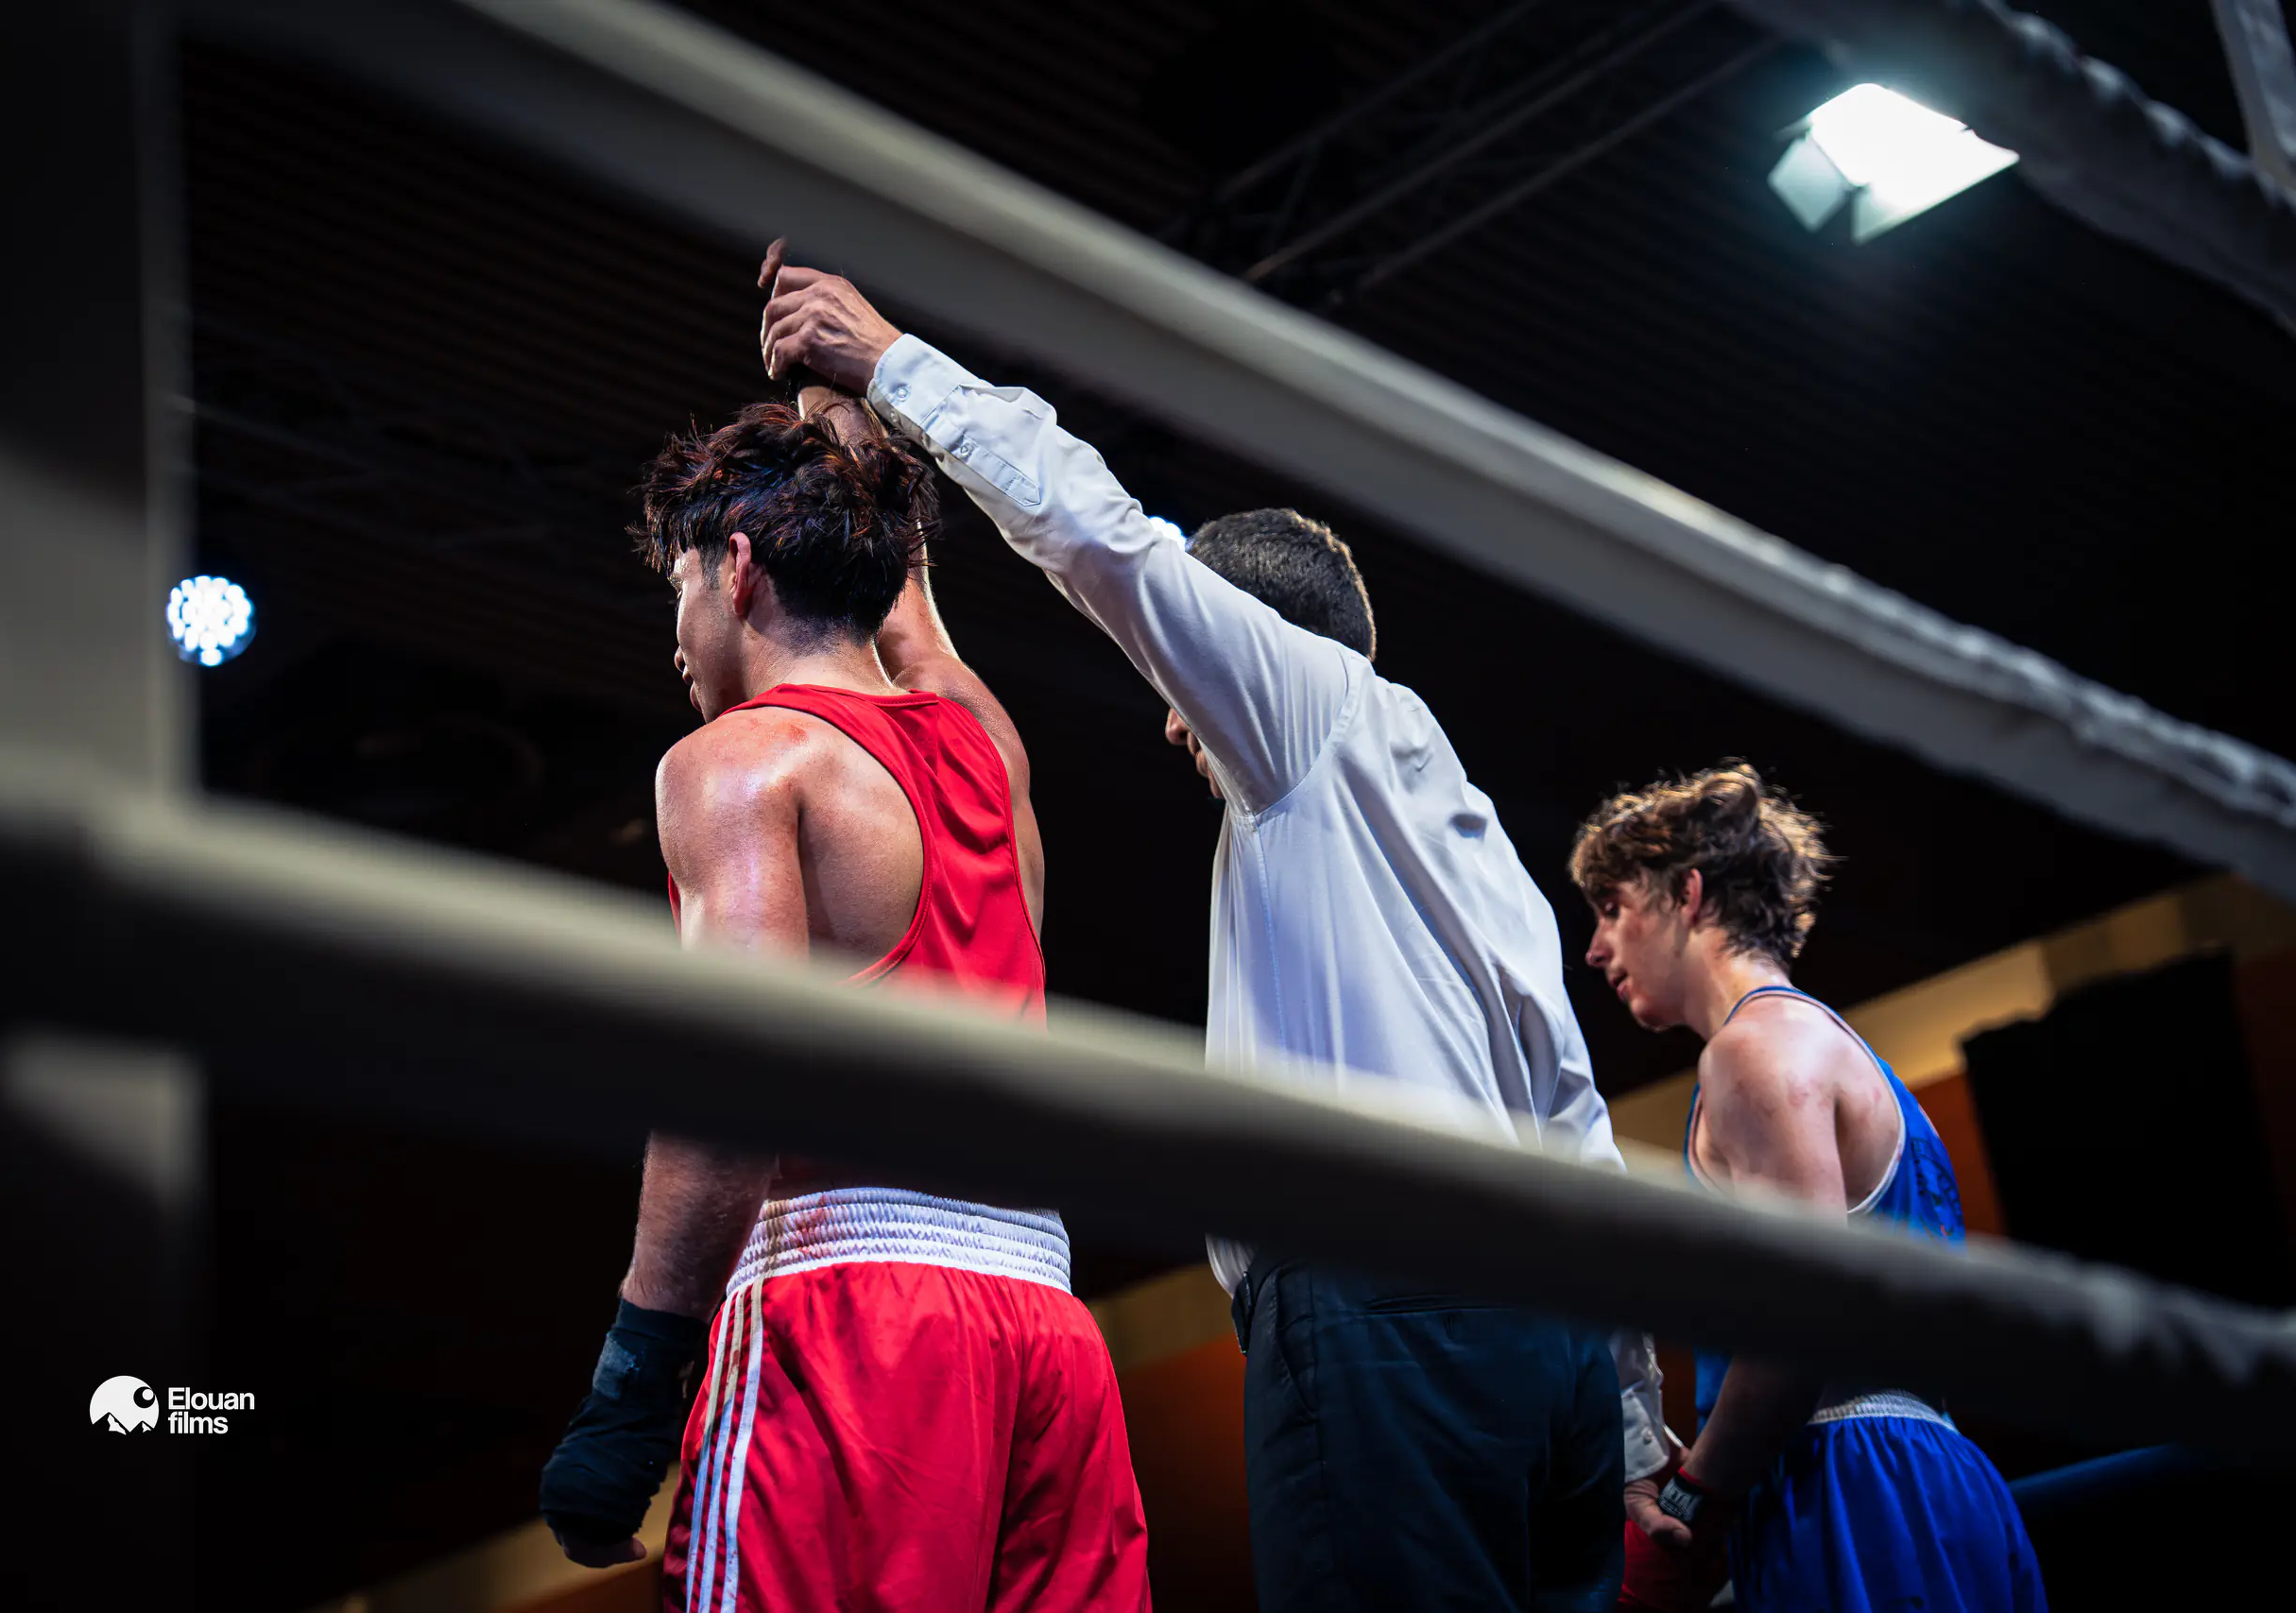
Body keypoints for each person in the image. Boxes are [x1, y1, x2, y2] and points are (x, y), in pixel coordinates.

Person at [760, 242, 1664, 1613]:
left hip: (1384, 1307)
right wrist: (1637, 1424)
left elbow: (1101, 537)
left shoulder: (1303, 712)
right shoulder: (1462, 823)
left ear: (1246, 641)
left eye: (1190, 686)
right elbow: (1575, 1109)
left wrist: (889, 363)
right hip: (1551, 1353)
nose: (1177, 723)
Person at [536, 391, 1149, 1613]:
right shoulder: (983, 745)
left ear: (738, 565)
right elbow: (917, 639)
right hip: (1049, 1330)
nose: (676, 628)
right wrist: (863, 455)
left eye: (679, 579)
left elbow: (736, 1082)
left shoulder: (742, 760)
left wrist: (633, 1383)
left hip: (853, 1324)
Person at [1571, 764, 2046, 1613]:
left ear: (1686, 893)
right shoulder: (1850, 1055)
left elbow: (1801, 1321)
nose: (1596, 947)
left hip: (1847, 1485)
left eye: (1613, 908)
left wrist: (1689, 1500)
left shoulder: (1752, 1052)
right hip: (1932, 1474)